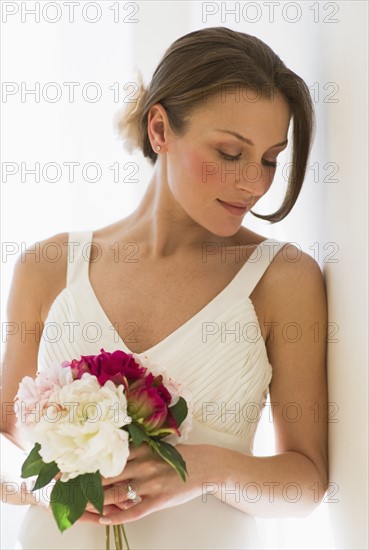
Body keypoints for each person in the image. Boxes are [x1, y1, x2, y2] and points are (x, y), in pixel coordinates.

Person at [1, 26, 328, 550]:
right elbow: (11, 430)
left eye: (269, 159)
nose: (254, 183)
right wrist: (51, 483)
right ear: (159, 128)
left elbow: (306, 485)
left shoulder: (283, 279)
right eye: (228, 152)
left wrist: (204, 469)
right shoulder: (46, 266)